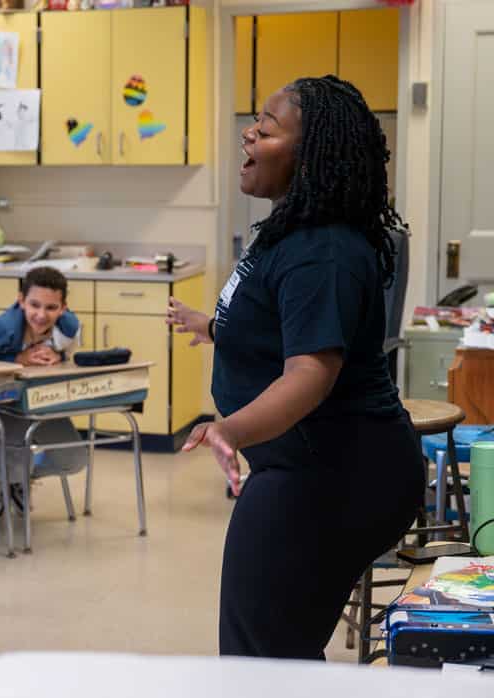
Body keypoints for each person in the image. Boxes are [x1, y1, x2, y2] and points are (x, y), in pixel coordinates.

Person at [167, 75, 423, 659]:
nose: (249, 133)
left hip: (338, 475)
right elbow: (279, 329)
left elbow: (310, 372)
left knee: (263, 661)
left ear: (312, 154)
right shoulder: (291, 233)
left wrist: (228, 428)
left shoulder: (322, 249)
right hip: (311, 465)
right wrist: (210, 326)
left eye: (268, 126)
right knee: (274, 655)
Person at [0, 266, 86, 516]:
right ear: (21, 301)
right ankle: (6, 479)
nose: (41, 315)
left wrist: (59, 354)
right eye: (34, 305)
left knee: (74, 460)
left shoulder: (68, 326)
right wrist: (17, 357)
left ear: (63, 308)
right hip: (2, 407)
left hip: (43, 403)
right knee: (13, 460)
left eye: (51, 308)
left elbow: (71, 352)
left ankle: (16, 477)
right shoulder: (2, 328)